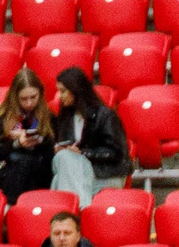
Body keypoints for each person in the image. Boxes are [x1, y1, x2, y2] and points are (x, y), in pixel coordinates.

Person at [51, 67, 128, 205]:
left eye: (63, 91)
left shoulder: (105, 115)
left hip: (103, 173)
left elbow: (116, 152)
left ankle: (77, 211)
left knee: (63, 166)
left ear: (75, 90)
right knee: (60, 168)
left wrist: (82, 153)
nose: (59, 96)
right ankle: (77, 210)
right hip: (76, 173)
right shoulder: (65, 118)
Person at [0, 67, 57, 202]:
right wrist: (15, 144)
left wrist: (41, 141)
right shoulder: (2, 118)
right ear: (15, 97)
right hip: (8, 171)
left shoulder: (48, 117)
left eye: (33, 97)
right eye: (24, 99)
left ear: (40, 94)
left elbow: (51, 150)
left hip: (39, 170)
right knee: (22, 159)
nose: (29, 103)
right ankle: (11, 205)